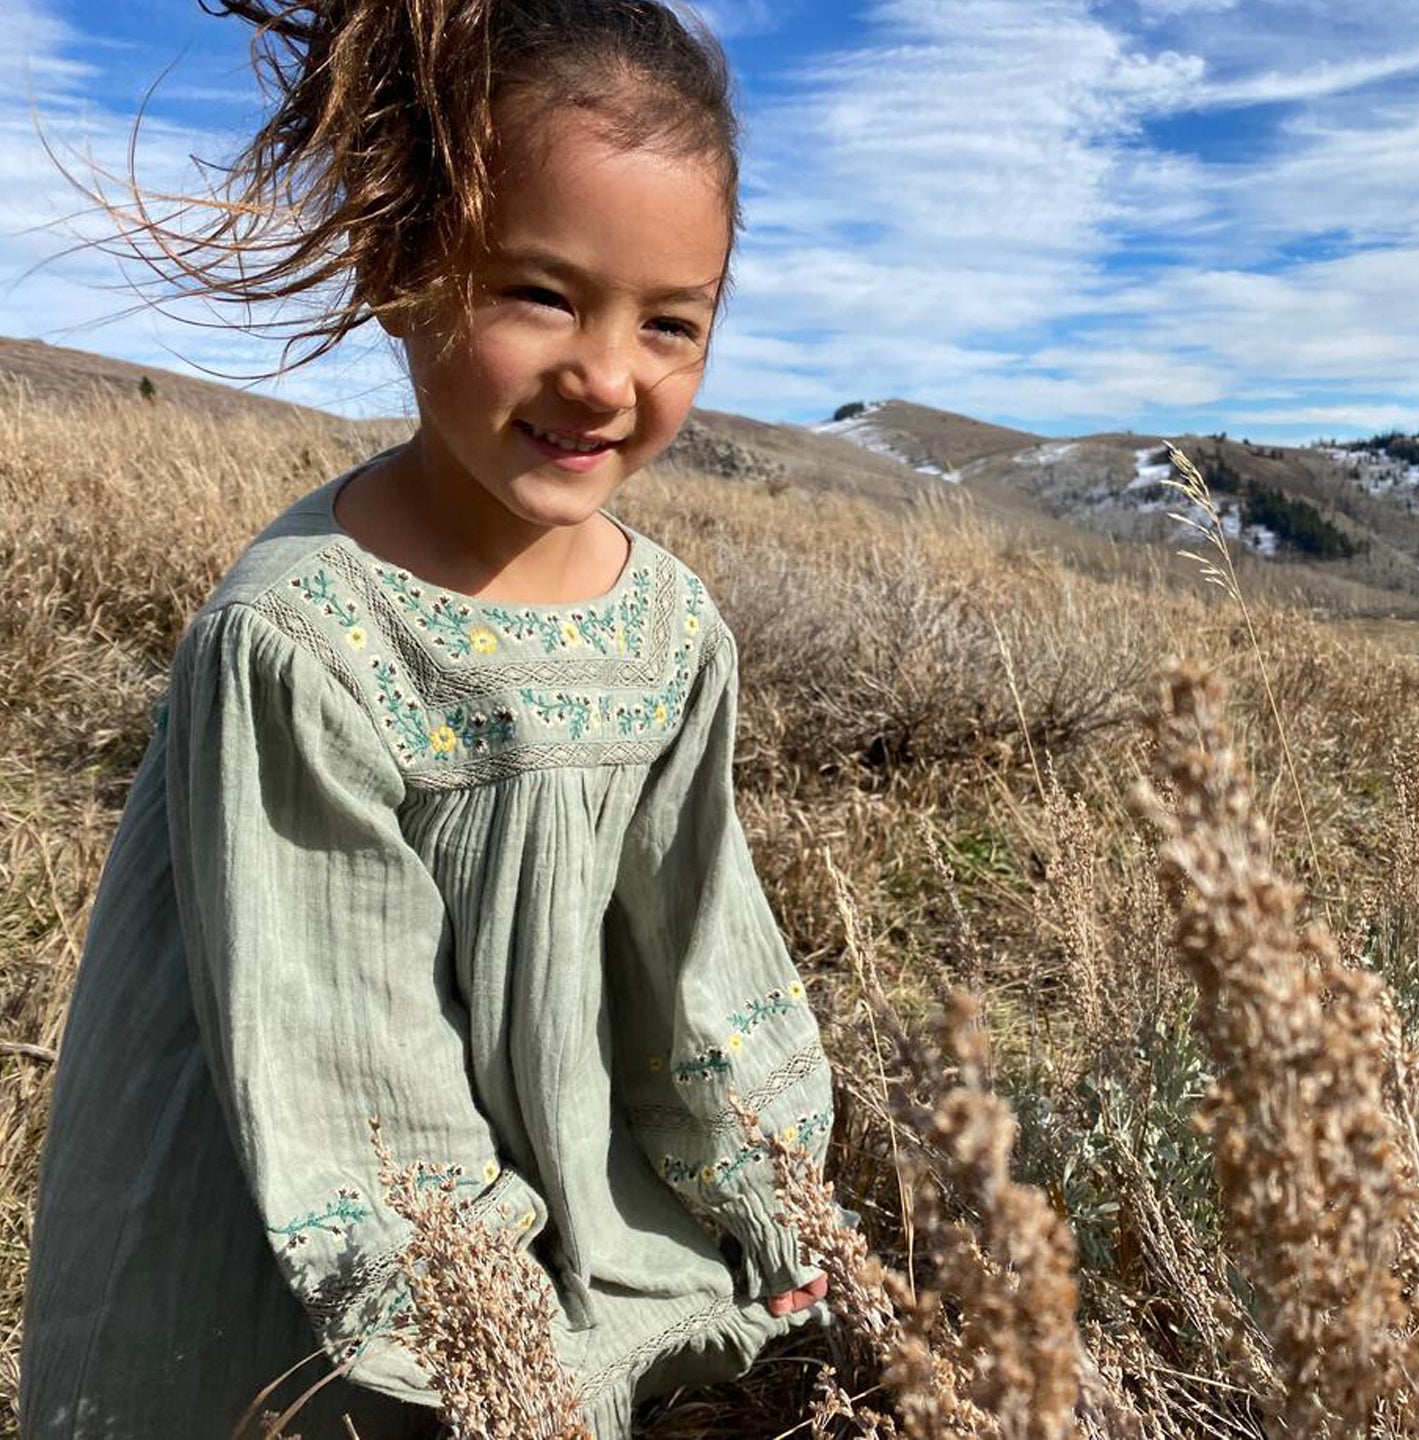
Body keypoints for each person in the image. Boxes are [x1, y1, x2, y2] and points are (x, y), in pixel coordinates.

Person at [19, 2, 849, 1436]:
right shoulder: (301, 640)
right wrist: (515, 1357)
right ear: (402, 268)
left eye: (671, 323)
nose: (606, 374)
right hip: (330, 1263)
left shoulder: (670, 630)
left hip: (567, 1239)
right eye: (540, 293)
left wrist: (780, 1215)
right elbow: (351, 1078)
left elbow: (705, 951)